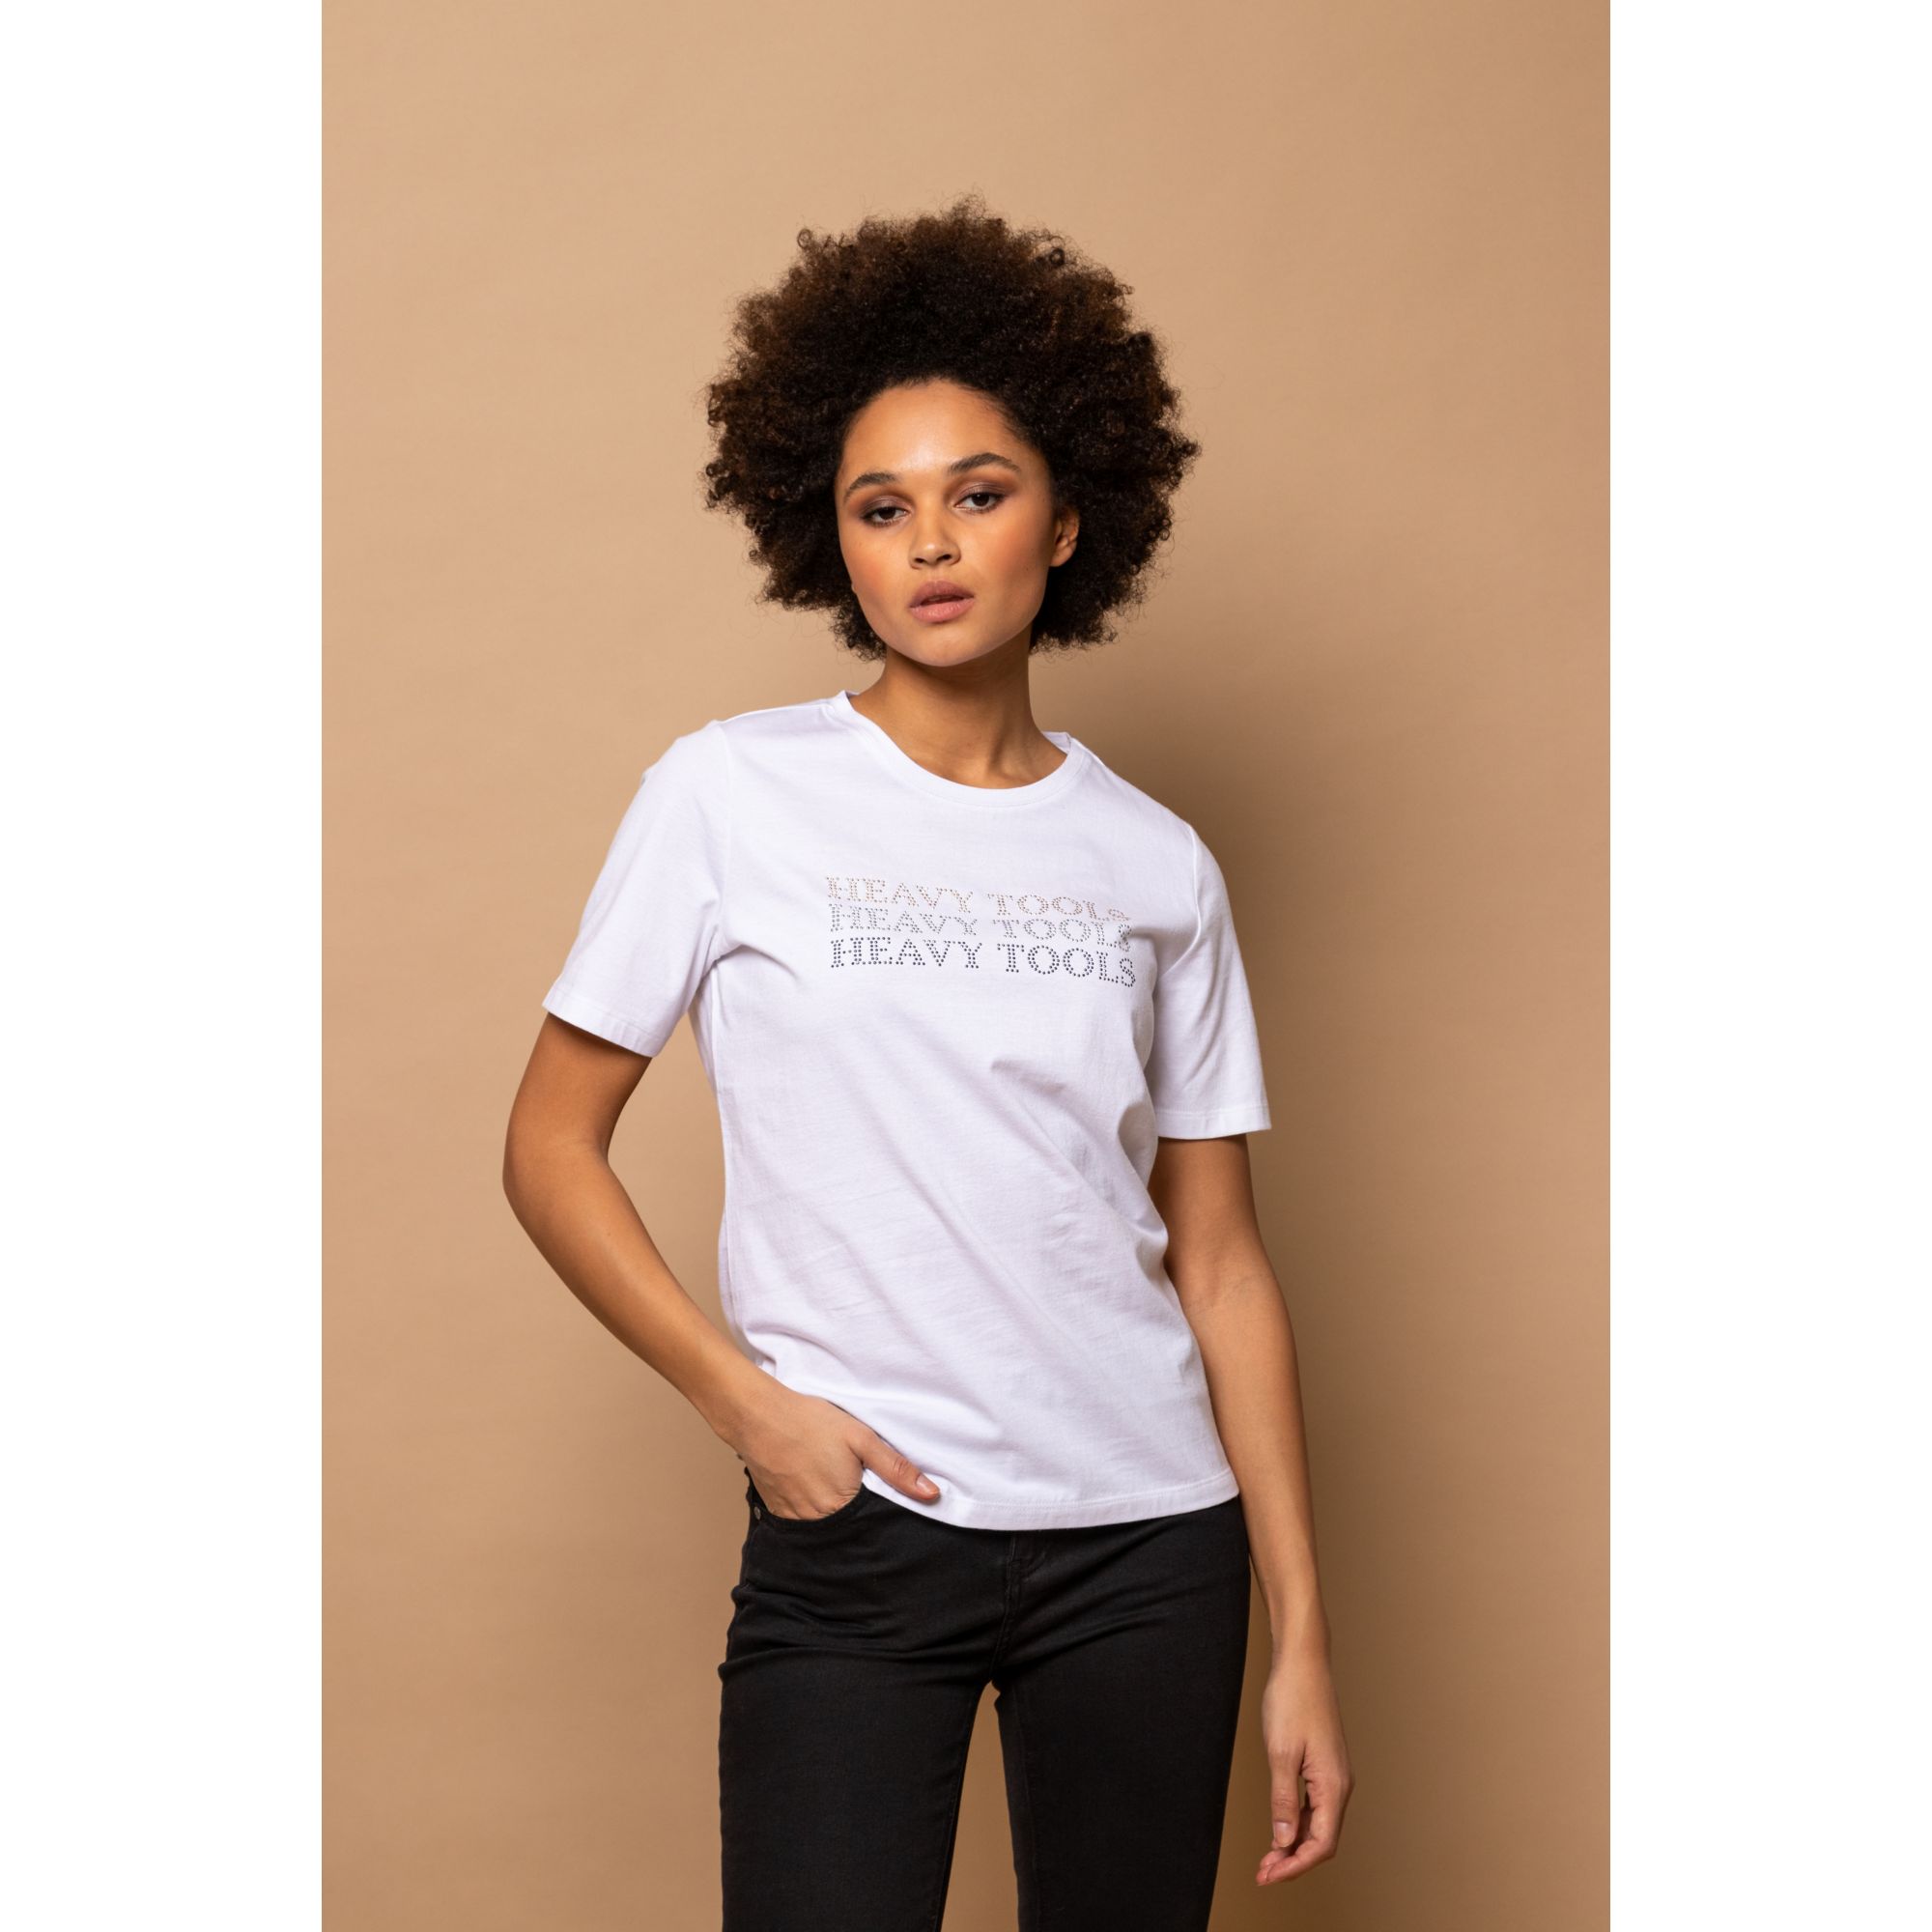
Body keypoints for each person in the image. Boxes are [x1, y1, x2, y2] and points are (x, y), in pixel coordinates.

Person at [502, 196, 1352, 1931]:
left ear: (1068, 522)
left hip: (1148, 1544)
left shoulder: (1156, 860)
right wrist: (748, 1407)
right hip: (858, 1536)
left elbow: (1221, 1261)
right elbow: (547, 1146)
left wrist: (1304, 1642)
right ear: (831, 543)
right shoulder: (729, 794)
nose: (932, 544)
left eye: (979, 493)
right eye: (880, 509)